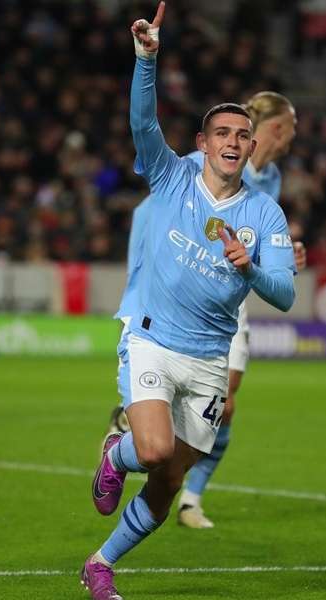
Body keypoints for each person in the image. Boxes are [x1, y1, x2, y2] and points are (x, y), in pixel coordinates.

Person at [80, 4, 296, 598]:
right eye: (222, 133)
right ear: (203, 142)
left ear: (252, 148)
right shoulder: (173, 176)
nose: (232, 142)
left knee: (170, 480)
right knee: (151, 452)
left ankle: (99, 565)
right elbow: (142, 124)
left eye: (241, 135)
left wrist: (252, 267)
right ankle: (115, 453)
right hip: (151, 337)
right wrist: (146, 60)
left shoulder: (263, 213)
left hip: (207, 359)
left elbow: (284, 293)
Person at [106, 91, 306, 530]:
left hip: (228, 305)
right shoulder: (198, 167)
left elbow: (264, 250)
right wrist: (143, 277)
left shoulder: (267, 181)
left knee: (225, 407)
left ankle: (188, 495)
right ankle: (136, 434)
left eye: (240, 136)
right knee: (165, 441)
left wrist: (281, 261)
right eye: (290, 126)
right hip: (169, 310)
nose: (293, 138)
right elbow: (153, 213)